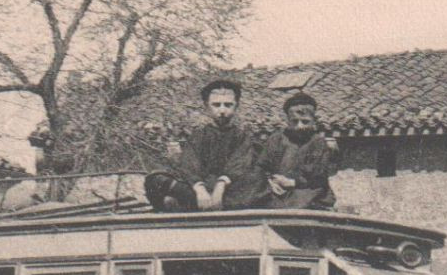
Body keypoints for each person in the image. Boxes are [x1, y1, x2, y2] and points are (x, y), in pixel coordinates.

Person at [145, 79, 253, 212]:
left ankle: (187, 205)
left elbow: (239, 165)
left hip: (229, 190)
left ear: (236, 106)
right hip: (198, 190)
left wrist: (220, 186)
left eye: (228, 105)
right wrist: (200, 190)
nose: (222, 110)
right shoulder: (198, 135)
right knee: (155, 180)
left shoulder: (242, 136)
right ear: (207, 107)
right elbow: (189, 165)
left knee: (257, 184)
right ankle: (201, 204)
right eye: (216, 105)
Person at [247, 91, 341, 210]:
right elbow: (260, 166)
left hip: (308, 192)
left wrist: (292, 183)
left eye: (305, 121)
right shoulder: (276, 139)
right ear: (287, 120)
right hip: (277, 191)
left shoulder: (318, 143)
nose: (299, 126)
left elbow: (318, 178)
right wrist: (270, 181)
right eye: (294, 121)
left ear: (314, 121)